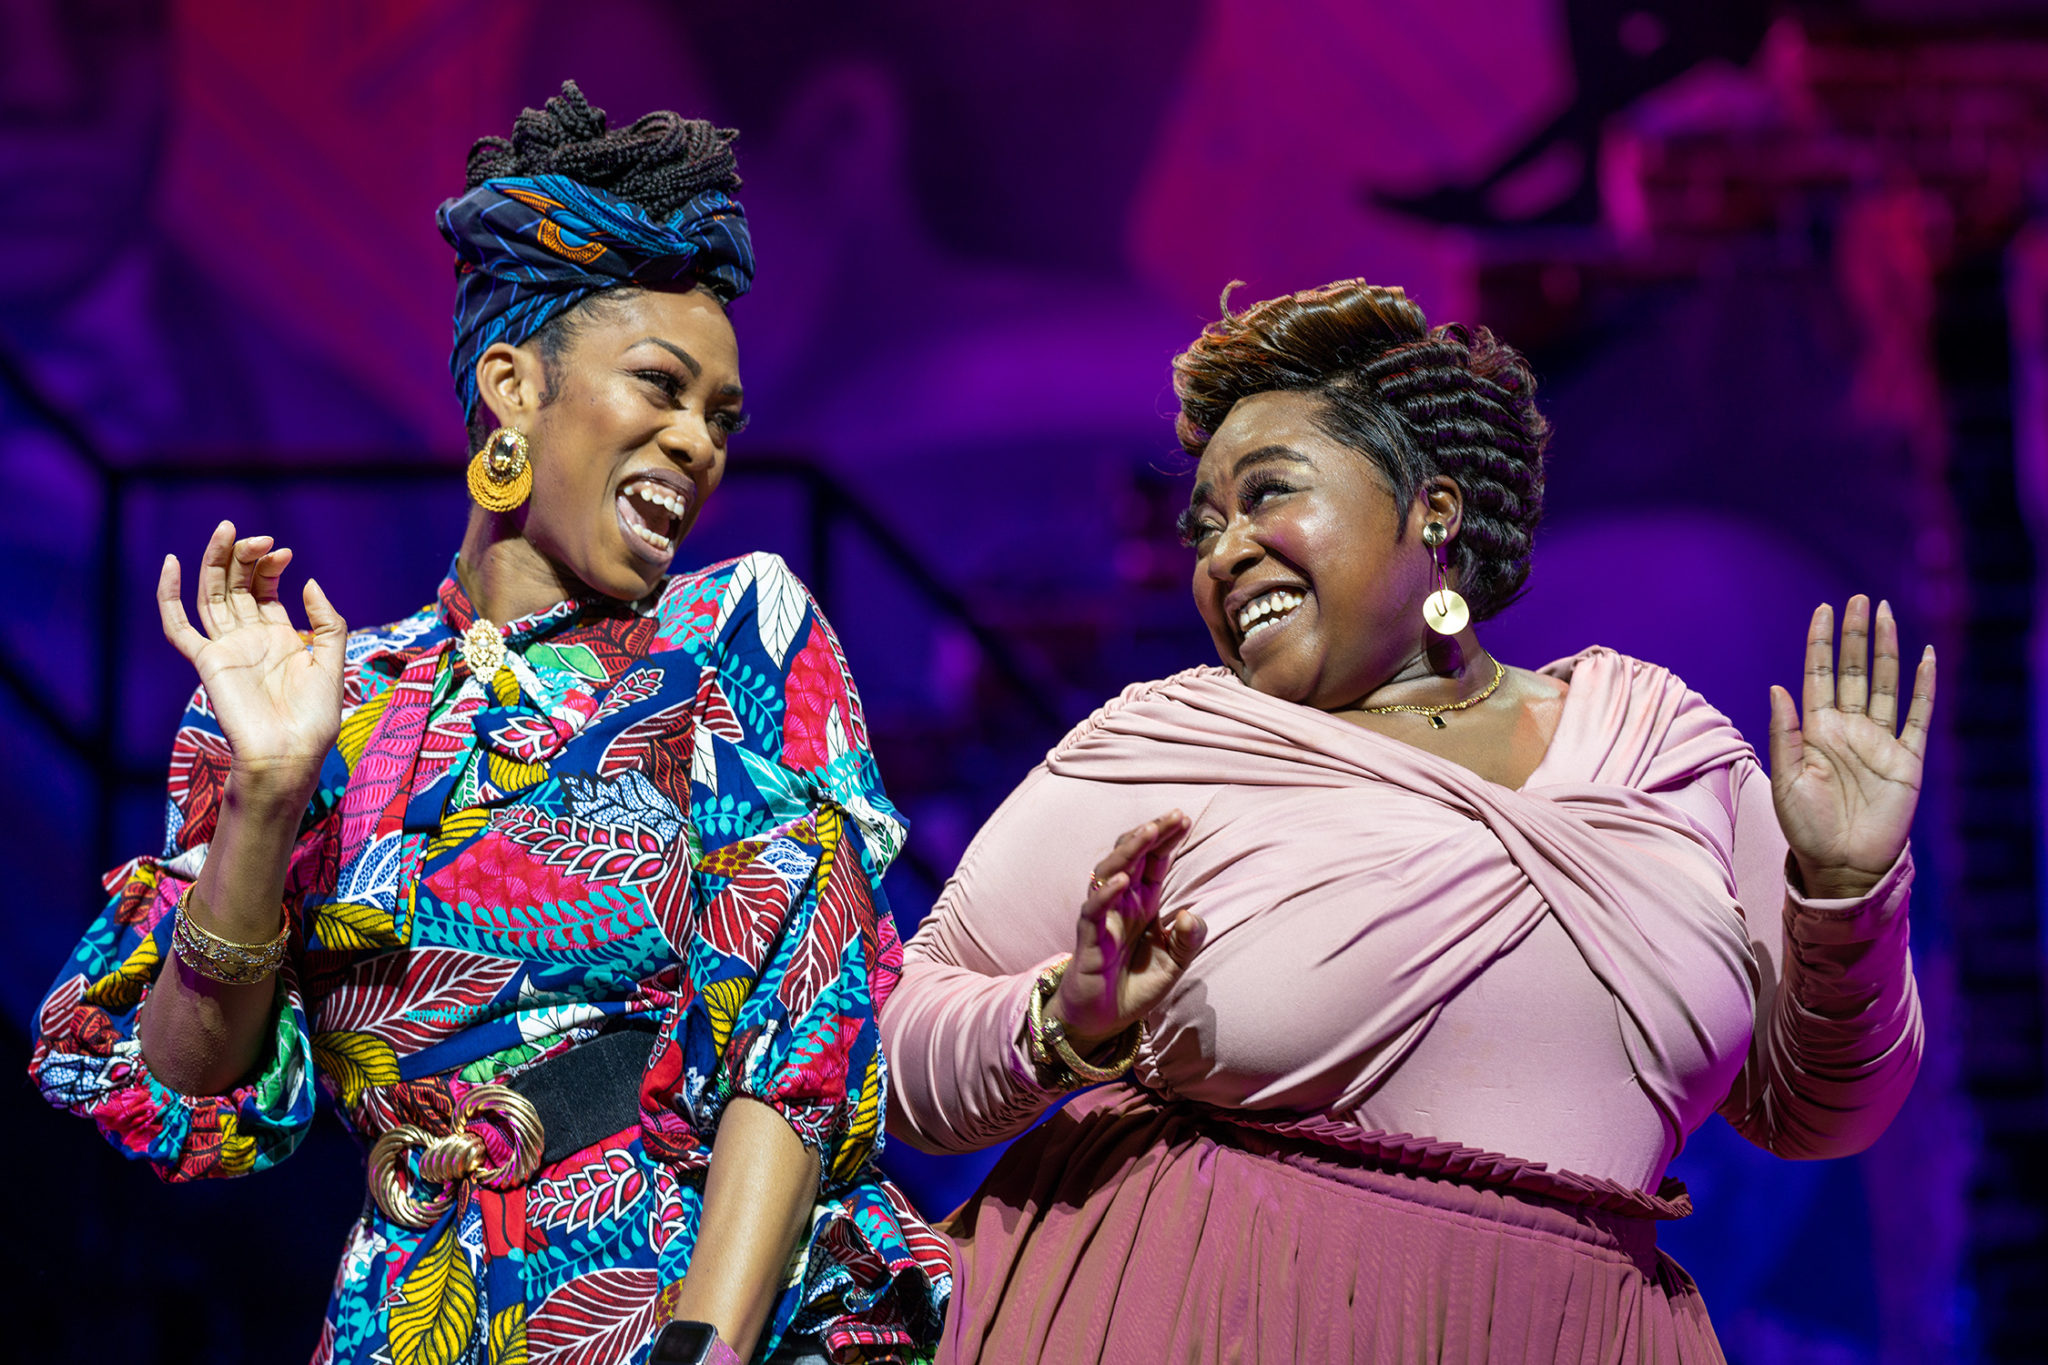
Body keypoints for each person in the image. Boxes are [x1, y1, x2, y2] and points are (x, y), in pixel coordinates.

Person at [30, 82, 950, 1365]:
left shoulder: (725, 636)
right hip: (418, 1312)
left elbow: (794, 1030)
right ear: (513, 386)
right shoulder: (330, 700)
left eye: (720, 419)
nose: (696, 445)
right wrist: (264, 798)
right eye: (660, 388)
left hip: (679, 1278)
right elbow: (184, 1100)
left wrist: (707, 1344)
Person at [880, 279, 1931, 1363]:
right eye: (1204, 525)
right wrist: (1064, 1021)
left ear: (1431, 510)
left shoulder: (1658, 744)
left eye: (1265, 495)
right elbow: (900, 1056)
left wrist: (1843, 892)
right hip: (1215, 1318)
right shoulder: (1167, 744)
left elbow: (1817, 1110)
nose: (1221, 550)